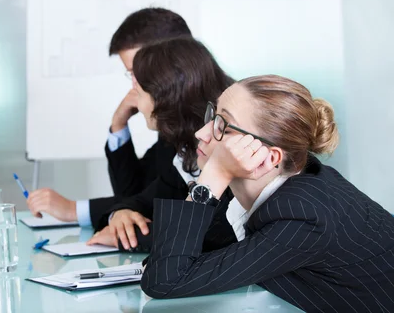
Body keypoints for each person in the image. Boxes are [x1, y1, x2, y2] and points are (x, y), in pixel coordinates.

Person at [139, 74, 394, 312]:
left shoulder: (304, 218)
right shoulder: (261, 190)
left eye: (224, 127)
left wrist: (215, 173)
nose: (201, 133)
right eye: (213, 116)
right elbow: (175, 257)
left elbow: (164, 282)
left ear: (267, 158)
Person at [26, 8, 193, 229]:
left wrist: (72, 209)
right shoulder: (172, 121)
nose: (134, 85)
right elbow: (136, 196)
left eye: (138, 73)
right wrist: (119, 124)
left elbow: (168, 207)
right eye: (131, 74)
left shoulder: (205, 121)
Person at [88, 40, 235, 251]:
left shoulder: (228, 147)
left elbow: (213, 238)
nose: (137, 105)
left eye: (139, 94)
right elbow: (146, 200)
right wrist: (121, 214)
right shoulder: (183, 149)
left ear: (163, 97)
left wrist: (132, 237)